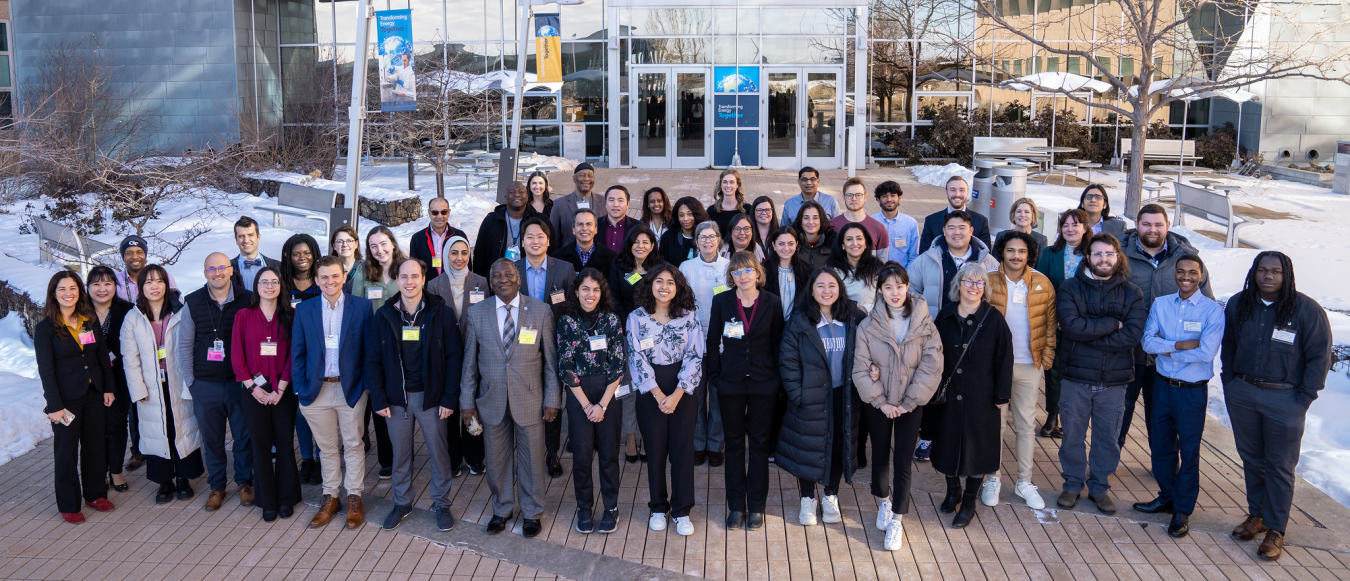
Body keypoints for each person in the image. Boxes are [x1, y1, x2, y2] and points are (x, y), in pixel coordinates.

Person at [1221, 252, 1333, 561]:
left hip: (1285, 399)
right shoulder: (1238, 304)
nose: (1268, 276)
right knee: (1252, 460)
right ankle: (1256, 516)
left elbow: (1319, 359)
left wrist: (1303, 399)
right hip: (1243, 393)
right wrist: (1230, 382)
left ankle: (1276, 529)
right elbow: (1228, 344)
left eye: (1276, 271)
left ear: (1287, 275)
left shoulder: (1306, 310)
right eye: (1262, 270)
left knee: (1281, 466)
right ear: (1254, 272)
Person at [461, 259, 561, 539]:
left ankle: (532, 512)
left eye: (508, 275)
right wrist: (467, 402)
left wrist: (553, 398)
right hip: (490, 401)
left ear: (519, 279)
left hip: (530, 399)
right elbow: (469, 364)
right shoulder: (477, 313)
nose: (502, 279)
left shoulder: (540, 311)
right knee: (496, 461)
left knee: (531, 460)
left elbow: (551, 363)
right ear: (490, 282)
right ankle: (501, 509)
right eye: (496, 276)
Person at [366, 257, 464, 533]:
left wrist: (449, 398)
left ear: (424, 279)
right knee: (401, 455)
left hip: (431, 397)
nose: (409, 282)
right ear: (397, 279)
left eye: (415, 276)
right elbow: (372, 359)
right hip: (397, 399)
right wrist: (379, 398)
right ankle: (402, 502)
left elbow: (455, 357)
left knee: (439, 453)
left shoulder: (441, 312)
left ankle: (442, 503)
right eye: (404, 277)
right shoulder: (384, 315)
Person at [1132, 254, 1224, 539]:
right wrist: (1181, 344)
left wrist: (1166, 347)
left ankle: (1182, 509)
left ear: (1201, 276)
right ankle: (1167, 496)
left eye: (1192, 272)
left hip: (1192, 393)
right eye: (1181, 271)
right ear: (1175, 274)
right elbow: (1147, 342)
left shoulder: (1212, 311)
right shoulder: (1161, 304)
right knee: (1160, 447)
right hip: (1162, 386)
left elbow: (1206, 353)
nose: (1186, 276)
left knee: (1189, 451)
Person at [1055, 233, 1146, 516]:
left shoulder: (1133, 292)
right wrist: (1111, 323)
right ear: (1088, 257)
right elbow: (1071, 327)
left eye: (1109, 254)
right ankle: (1072, 484)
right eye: (1098, 254)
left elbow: (1132, 336)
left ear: (1118, 258)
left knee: (1107, 437)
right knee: (1072, 435)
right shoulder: (1070, 288)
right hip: (1076, 378)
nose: (1103, 259)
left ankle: (1099, 487)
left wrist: (1088, 335)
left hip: (1114, 381)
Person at [852, 263, 941, 550]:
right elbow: (861, 368)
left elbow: (932, 365)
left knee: (903, 460)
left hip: (910, 405)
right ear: (880, 290)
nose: (894, 292)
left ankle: (898, 520)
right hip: (879, 405)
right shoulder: (868, 325)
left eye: (899, 286)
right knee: (879, 455)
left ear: (907, 287)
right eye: (888, 287)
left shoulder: (925, 323)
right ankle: (883, 502)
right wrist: (881, 401)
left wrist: (908, 402)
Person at [1117, 203, 1214, 449]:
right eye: (1146, 224)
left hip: (1169, 355)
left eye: (1158, 224)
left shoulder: (1186, 258)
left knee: (1162, 415)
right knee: (1120, 410)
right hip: (1127, 351)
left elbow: (1205, 305)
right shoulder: (1119, 255)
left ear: (1168, 226)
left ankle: (1164, 466)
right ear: (1137, 225)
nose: (1153, 229)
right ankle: (1107, 462)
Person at [910, 210, 999, 462]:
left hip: (974, 340)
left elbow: (996, 297)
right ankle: (927, 437)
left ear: (972, 231)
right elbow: (912, 292)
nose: (957, 232)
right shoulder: (926, 260)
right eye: (951, 227)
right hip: (934, 337)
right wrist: (922, 322)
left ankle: (961, 436)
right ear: (944, 231)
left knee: (965, 390)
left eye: (962, 227)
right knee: (932, 386)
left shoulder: (989, 263)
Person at [292, 256, 374, 529]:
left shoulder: (361, 307)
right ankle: (331, 496)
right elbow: (298, 353)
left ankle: (354, 496)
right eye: (324, 277)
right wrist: (301, 386)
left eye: (335, 276)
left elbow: (367, 351)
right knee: (326, 448)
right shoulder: (304, 310)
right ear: (316, 280)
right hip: (316, 391)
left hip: (349, 388)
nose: (330, 281)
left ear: (344, 276)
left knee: (353, 443)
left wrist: (364, 385)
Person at [778, 268, 863, 528]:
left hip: (844, 396)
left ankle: (830, 495)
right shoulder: (800, 320)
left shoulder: (853, 317)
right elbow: (787, 360)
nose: (826, 291)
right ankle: (806, 499)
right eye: (820, 286)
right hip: (810, 396)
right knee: (808, 448)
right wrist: (797, 394)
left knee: (839, 446)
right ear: (811, 290)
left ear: (840, 289)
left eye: (832, 286)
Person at [706, 252, 784, 531]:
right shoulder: (722, 301)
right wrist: (716, 376)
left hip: (764, 383)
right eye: (737, 272)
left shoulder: (772, 302)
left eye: (748, 270)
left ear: (757, 272)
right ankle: (736, 506)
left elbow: (778, 344)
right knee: (735, 445)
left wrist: (776, 378)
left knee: (760, 447)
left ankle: (757, 507)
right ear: (732, 276)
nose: (743, 276)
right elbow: (713, 338)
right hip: (731, 383)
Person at [626, 264, 705, 537]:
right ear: (649, 285)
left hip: (683, 388)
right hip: (651, 391)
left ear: (678, 287)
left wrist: (677, 394)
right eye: (658, 281)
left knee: (682, 451)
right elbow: (636, 358)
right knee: (656, 451)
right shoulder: (636, 318)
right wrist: (660, 395)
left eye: (670, 282)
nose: (664, 287)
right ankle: (658, 507)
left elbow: (695, 356)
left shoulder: (689, 317)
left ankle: (682, 511)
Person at [932, 263, 1013, 528]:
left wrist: (1002, 394)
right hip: (949, 393)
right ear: (958, 285)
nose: (974, 287)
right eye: (969, 281)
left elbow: (1004, 359)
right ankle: (952, 490)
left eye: (980, 283)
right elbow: (931, 354)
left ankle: (968, 502)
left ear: (985, 288)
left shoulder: (994, 319)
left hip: (982, 397)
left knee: (978, 449)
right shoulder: (944, 316)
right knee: (948, 443)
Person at [35, 271, 116, 523]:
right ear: (54, 293)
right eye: (62, 289)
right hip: (65, 400)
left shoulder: (88, 320)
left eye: (73, 288)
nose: (68, 293)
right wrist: (54, 406)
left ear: (80, 292)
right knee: (66, 451)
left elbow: (102, 357)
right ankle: (69, 504)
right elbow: (46, 370)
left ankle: (94, 494)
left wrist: (108, 388)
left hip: (93, 393)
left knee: (94, 446)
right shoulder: (45, 328)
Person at [986, 231, 1057, 510]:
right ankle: (992, 477)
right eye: (1011, 250)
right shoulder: (989, 280)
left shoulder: (1041, 282)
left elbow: (1050, 324)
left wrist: (1046, 358)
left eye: (1022, 251)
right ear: (1002, 252)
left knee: (1027, 424)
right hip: (996, 366)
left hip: (1030, 364)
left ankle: (1024, 481)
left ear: (1029, 255)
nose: (1016, 256)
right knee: (997, 425)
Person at [122, 264, 203, 504]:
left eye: (159, 281)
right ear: (141, 287)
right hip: (150, 386)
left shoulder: (181, 311)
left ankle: (184, 479)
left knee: (182, 427)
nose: (154, 286)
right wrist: (138, 389)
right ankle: (164, 481)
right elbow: (130, 357)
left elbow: (193, 347)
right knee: (158, 430)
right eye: (148, 282)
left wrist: (192, 381)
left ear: (167, 285)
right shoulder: (133, 317)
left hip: (178, 382)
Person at [179, 252, 255, 511]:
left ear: (231, 270)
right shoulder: (192, 302)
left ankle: (245, 482)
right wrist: (192, 382)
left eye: (222, 267)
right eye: (211, 269)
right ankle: (217, 485)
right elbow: (185, 344)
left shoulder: (248, 300)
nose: (218, 273)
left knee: (243, 437)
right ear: (205, 274)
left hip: (240, 383)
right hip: (205, 385)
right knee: (211, 439)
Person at [555, 268, 626, 534]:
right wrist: (587, 405)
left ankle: (611, 507)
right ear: (576, 291)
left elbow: (618, 365)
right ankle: (584, 507)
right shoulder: (566, 321)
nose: (590, 294)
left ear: (602, 293)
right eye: (585, 289)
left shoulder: (611, 320)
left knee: (609, 455)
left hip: (608, 392)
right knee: (582, 457)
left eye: (596, 289)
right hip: (579, 395)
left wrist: (603, 405)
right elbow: (565, 366)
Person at [229, 267, 301, 522]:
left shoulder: (291, 315)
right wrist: (252, 387)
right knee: (259, 445)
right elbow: (237, 355)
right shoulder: (243, 316)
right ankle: (266, 499)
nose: (269, 286)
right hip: (253, 392)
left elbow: (295, 354)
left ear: (281, 285)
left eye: (274, 282)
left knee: (284, 444)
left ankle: (286, 497)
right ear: (256, 286)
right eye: (263, 282)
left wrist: (281, 388)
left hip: (284, 391)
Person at [514, 216, 575, 475]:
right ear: (522, 242)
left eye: (540, 237)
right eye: (530, 237)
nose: (535, 241)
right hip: (521, 347)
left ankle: (552, 453)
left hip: (555, 344)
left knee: (553, 397)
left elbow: (572, 307)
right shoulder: (511, 269)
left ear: (549, 241)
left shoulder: (564, 269)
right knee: (523, 399)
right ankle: (526, 454)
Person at [426, 236, 489, 476]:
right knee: (449, 409)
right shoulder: (434, 285)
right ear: (445, 255)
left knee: (473, 405)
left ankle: (474, 457)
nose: (460, 258)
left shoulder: (480, 282)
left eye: (464, 253)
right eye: (454, 253)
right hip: (446, 357)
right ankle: (453, 459)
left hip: (474, 352)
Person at [347, 226, 400, 478]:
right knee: (380, 402)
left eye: (383, 243)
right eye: (373, 246)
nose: (379, 250)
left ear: (392, 243)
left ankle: (403, 452)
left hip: (403, 346)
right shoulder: (363, 272)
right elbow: (356, 311)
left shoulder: (405, 268)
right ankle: (387, 459)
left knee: (402, 402)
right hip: (375, 348)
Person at [679, 221, 731, 467]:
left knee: (719, 397)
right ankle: (698, 443)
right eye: (703, 237)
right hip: (695, 343)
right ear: (696, 241)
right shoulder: (687, 267)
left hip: (723, 343)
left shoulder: (729, 267)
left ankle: (715, 444)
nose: (708, 241)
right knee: (696, 397)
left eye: (712, 236)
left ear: (719, 240)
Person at [1035, 208, 1089, 438]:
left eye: (1075, 224)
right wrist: (1054, 319)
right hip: (1055, 324)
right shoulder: (1050, 253)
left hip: (1084, 326)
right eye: (1065, 225)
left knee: (1078, 373)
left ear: (1085, 228)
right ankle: (1052, 415)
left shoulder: (1094, 254)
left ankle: (1072, 418)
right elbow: (1042, 288)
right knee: (1054, 371)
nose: (1070, 229)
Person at [86, 266, 134, 492]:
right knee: (95, 427)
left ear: (116, 286)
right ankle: (98, 471)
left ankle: (115, 470)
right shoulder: (79, 312)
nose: (102, 289)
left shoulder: (128, 311)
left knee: (116, 425)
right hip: (89, 380)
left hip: (120, 378)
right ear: (88, 288)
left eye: (107, 283)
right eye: (96, 284)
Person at [473, 180, 532, 277]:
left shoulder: (538, 221)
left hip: (528, 280)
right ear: (505, 198)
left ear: (527, 196)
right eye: (512, 192)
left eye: (521, 192)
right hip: (497, 280)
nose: (517, 194)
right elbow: (479, 254)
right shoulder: (491, 220)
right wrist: (482, 281)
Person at [918, 176, 993, 253]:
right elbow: (924, 254)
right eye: (953, 190)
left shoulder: (981, 221)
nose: (957, 194)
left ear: (967, 192)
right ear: (947, 192)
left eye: (962, 190)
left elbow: (986, 255)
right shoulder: (931, 221)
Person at [827, 222, 885, 312]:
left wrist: (865, 309)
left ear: (865, 243)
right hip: (843, 319)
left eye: (859, 238)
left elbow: (885, 299)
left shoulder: (878, 268)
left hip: (874, 320)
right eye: (849, 239)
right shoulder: (833, 271)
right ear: (842, 245)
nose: (855, 243)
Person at [610, 224, 663, 324]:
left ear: (652, 246)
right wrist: (628, 324)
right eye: (636, 242)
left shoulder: (661, 267)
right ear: (630, 244)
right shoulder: (619, 264)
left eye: (645, 242)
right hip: (626, 322)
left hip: (655, 324)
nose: (640, 246)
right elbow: (614, 298)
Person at [829, 178, 890, 260]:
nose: (854, 198)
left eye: (858, 195)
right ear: (844, 198)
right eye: (849, 195)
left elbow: (882, 263)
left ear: (865, 197)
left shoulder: (879, 228)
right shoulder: (832, 226)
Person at [410, 197, 469, 279]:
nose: (440, 216)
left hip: (454, 288)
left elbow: (467, 266)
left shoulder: (459, 236)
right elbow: (413, 269)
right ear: (429, 213)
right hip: (427, 289)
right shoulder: (417, 238)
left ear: (449, 212)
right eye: (435, 212)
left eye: (444, 212)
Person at [763, 226, 811, 322]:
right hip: (770, 326)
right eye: (781, 244)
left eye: (790, 244)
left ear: (796, 244)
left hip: (796, 327)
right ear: (774, 245)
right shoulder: (763, 270)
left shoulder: (806, 270)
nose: (786, 248)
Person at [553, 209, 617, 280]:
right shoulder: (558, 257)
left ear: (596, 229)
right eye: (580, 224)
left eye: (589, 224)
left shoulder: (611, 258)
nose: (584, 228)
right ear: (573, 229)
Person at [549, 162, 599, 251]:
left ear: (594, 178)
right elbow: (554, 239)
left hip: (598, 260)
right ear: (574, 179)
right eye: (582, 175)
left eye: (590, 175)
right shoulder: (559, 204)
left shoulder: (603, 202)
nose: (586, 179)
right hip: (568, 259)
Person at [872, 181, 922, 268]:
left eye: (893, 195)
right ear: (878, 199)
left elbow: (914, 256)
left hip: (902, 276)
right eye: (884, 196)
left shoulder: (910, 224)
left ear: (899, 198)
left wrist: (904, 276)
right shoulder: (871, 222)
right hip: (876, 276)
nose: (889, 199)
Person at [115, 234, 176, 302]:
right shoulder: (115, 281)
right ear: (123, 257)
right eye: (129, 253)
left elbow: (177, 306)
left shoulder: (164, 277)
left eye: (139, 252)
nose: (135, 257)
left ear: (145, 256)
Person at [230, 216, 280, 292]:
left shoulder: (278, 267)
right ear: (236, 240)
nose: (246, 240)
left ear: (258, 237)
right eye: (241, 236)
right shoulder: (226, 269)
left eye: (250, 235)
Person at [659, 197, 709, 266]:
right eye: (681, 215)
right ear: (677, 217)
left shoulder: (707, 237)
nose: (685, 219)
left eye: (689, 214)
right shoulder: (668, 237)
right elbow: (661, 262)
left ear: (697, 215)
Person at [708, 169, 755, 235]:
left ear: (737, 185)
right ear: (720, 185)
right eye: (725, 182)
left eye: (732, 182)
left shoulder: (747, 209)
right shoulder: (712, 210)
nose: (728, 186)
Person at [599, 185, 642, 254]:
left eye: (620, 200)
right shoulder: (595, 225)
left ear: (628, 204)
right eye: (611, 200)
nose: (615, 204)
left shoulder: (639, 227)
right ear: (605, 203)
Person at [281, 233, 322, 306]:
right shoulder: (281, 284)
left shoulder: (323, 283)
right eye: (296, 254)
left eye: (307, 253)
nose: (302, 258)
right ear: (288, 257)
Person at [793, 201, 836, 268]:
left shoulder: (833, 244)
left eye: (815, 218)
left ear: (821, 221)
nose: (811, 222)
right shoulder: (792, 244)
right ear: (800, 221)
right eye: (806, 218)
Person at [328, 226, 363, 292]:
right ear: (334, 246)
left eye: (349, 241)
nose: (345, 245)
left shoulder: (366, 268)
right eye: (340, 241)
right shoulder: (327, 268)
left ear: (356, 244)